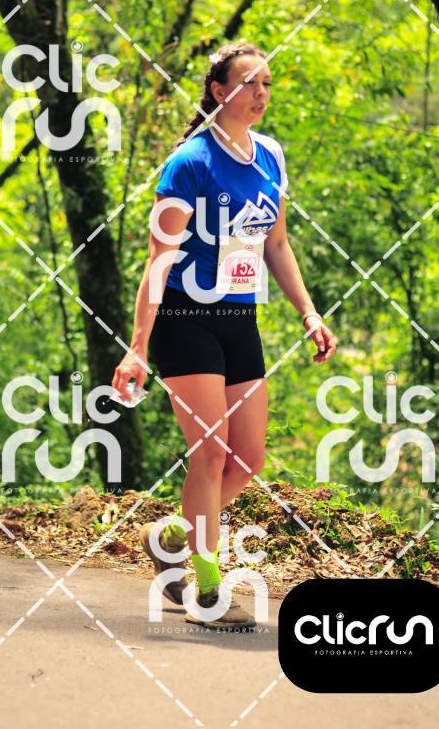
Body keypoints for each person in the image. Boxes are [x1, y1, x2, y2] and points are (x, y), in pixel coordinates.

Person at [111, 39, 337, 630]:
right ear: (218, 91)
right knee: (210, 454)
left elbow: (276, 243)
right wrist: (138, 346)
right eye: (248, 83)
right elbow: (159, 260)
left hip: (240, 318)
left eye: (266, 84)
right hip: (184, 318)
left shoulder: (270, 155)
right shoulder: (189, 163)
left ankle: (170, 538)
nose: (260, 94)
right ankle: (207, 589)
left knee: (248, 458)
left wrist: (308, 312)